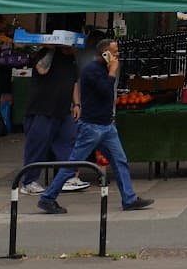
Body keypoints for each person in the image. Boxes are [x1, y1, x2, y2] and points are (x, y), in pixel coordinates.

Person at [37, 40, 152, 214]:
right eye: (115, 52)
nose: (118, 55)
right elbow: (105, 90)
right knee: (72, 164)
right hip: (92, 127)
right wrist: (113, 72)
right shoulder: (92, 70)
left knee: (120, 161)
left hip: (106, 126)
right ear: (105, 54)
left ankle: (129, 198)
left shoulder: (103, 69)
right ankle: (47, 198)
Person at [21, 43, 89, 195]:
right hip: (42, 109)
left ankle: (68, 178)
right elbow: (41, 69)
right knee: (37, 144)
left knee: (69, 141)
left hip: (63, 109)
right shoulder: (46, 54)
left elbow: (74, 83)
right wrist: (51, 49)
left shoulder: (71, 59)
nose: (76, 49)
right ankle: (29, 181)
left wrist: (76, 104)